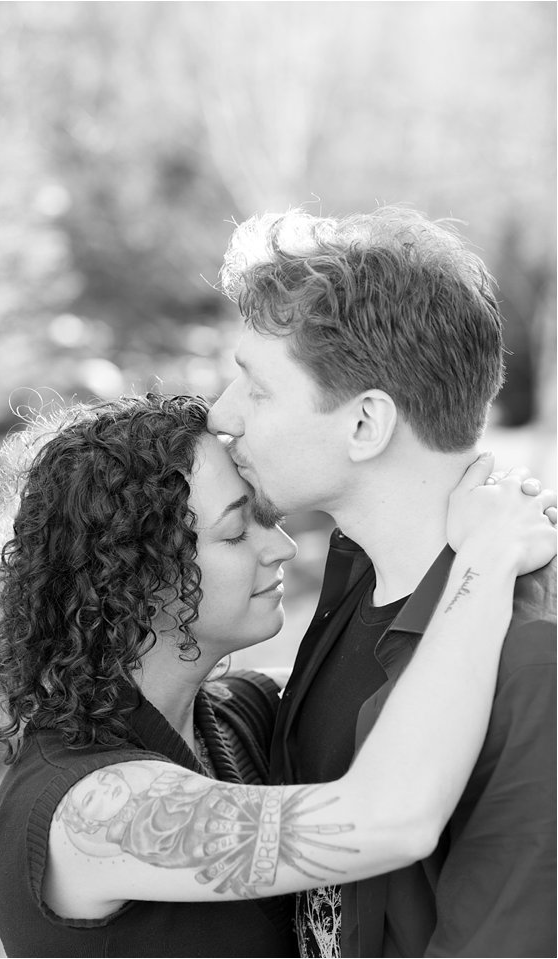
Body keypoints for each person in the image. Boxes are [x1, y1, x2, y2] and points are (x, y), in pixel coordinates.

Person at [0, 393, 554, 959]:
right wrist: (486, 559)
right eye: (235, 532)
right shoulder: (89, 812)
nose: (280, 547)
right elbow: (389, 820)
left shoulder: (234, 716)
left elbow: (416, 690)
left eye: (266, 518)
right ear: (133, 580)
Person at [208, 207, 557, 958]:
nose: (222, 414)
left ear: (366, 423)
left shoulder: (533, 664)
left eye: (257, 388)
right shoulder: (356, 576)